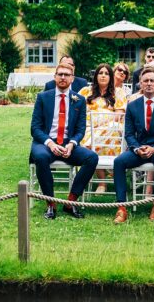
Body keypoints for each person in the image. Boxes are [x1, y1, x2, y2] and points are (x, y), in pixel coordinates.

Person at [30, 62, 98, 220]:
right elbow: (35, 128)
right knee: (40, 157)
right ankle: (51, 204)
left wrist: (72, 144)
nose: (62, 77)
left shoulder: (79, 100)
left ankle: (70, 202)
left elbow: (81, 129)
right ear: (54, 77)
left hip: (68, 144)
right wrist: (50, 143)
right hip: (46, 144)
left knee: (92, 157)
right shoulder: (43, 97)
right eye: (60, 74)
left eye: (66, 75)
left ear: (72, 78)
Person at [112, 66, 154, 223]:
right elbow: (128, 133)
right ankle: (121, 206)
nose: (149, 84)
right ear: (140, 84)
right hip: (140, 148)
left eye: (152, 81)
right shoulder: (133, 105)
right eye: (145, 81)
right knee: (119, 162)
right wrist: (136, 147)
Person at [78, 64, 127, 194]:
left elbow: (119, 115)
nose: (103, 75)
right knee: (90, 136)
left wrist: (99, 122)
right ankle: (102, 182)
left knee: (97, 138)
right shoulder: (85, 91)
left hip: (111, 130)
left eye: (106, 73)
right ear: (96, 76)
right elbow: (76, 111)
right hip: (88, 128)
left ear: (111, 77)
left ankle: (98, 180)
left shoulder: (118, 92)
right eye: (100, 73)